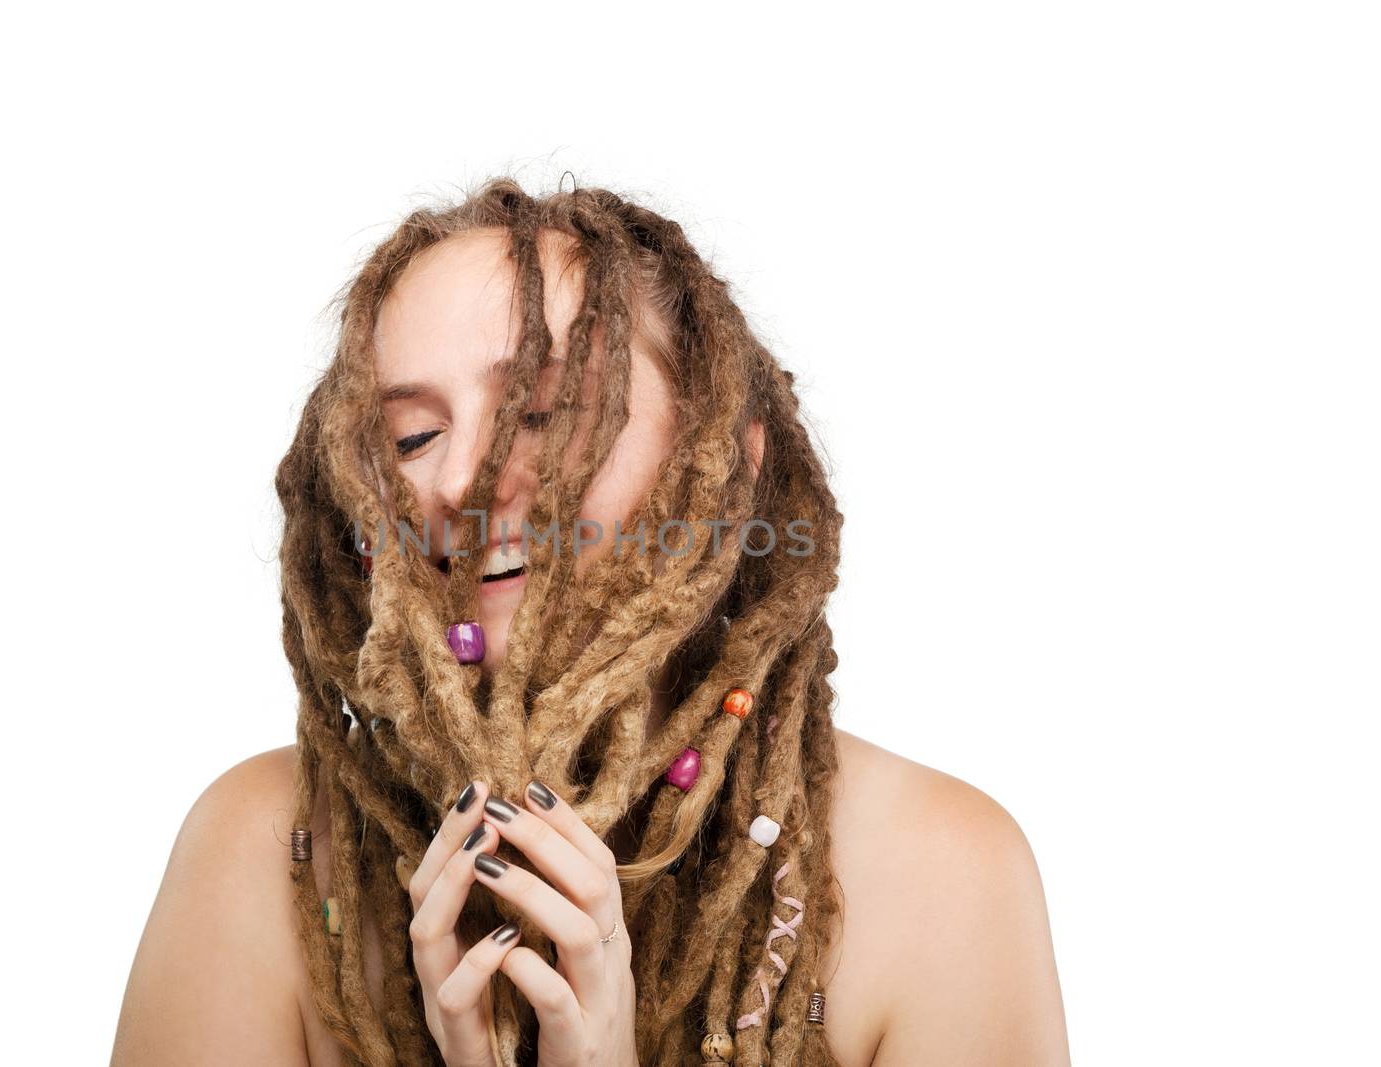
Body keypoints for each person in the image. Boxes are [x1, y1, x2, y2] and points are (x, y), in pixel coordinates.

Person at [110, 178, 1071, 1067]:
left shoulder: (946, 879)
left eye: (540, 410)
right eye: (411, 436)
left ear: (724, 467)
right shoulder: (261, 853)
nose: (458, 480)